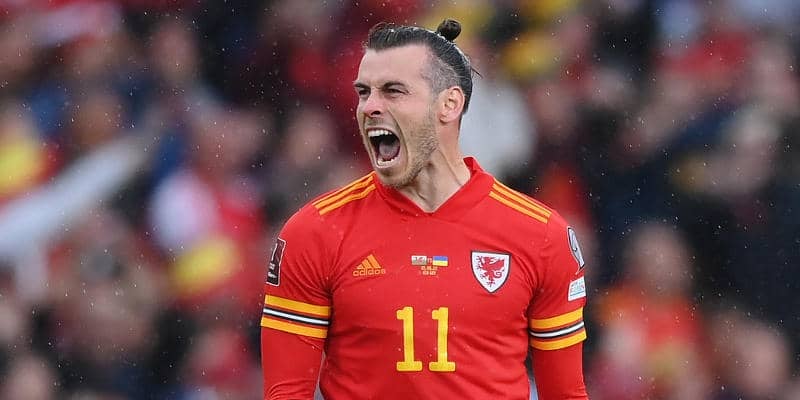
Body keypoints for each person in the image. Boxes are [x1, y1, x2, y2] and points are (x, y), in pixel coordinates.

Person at [260, 19, 589, 400]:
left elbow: (566, 394)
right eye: (364, 92)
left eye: (393, 91)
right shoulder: (314, 232)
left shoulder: (542, 236)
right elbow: (285, 394)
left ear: (449, 104)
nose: (370, 107)